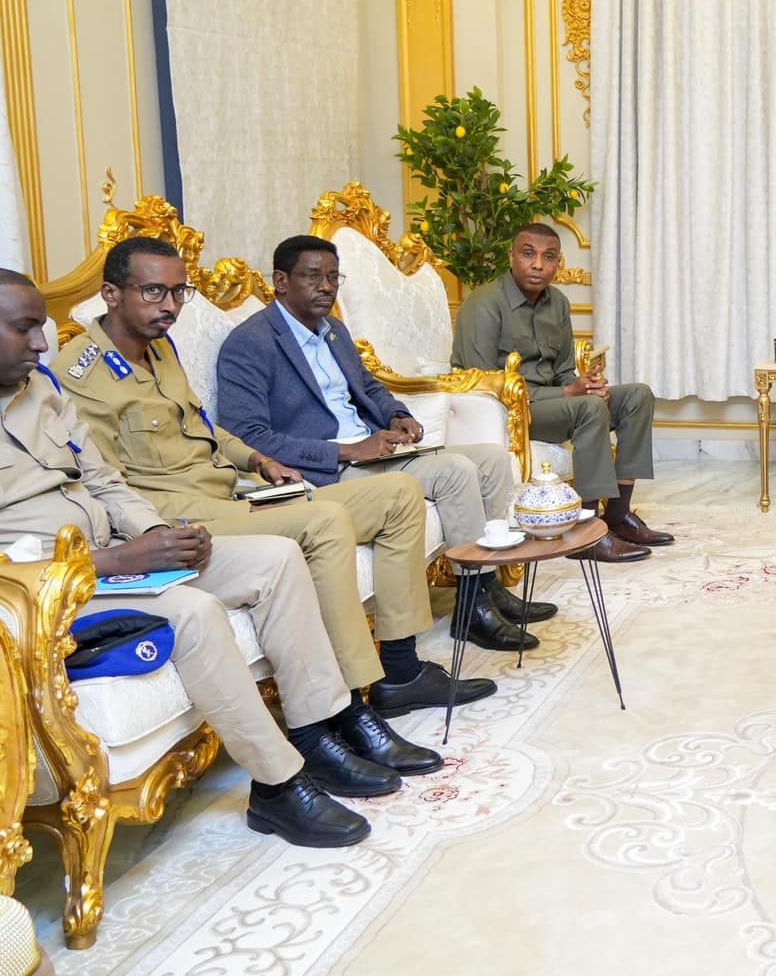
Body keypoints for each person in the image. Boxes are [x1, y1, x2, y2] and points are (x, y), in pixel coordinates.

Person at [0, 269, 418, 847]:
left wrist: (156, 537)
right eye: (24, 329)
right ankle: (278, 786)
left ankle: (316, 731)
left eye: (41, 328)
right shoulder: (73, 374)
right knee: (195, 613)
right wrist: (112, 562)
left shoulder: (41, 389)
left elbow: (105, 481)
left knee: (276, 559)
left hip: (121, 551)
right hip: (50, 589)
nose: (41, 343)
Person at [57, 237, 493, 721]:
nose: (171, 306)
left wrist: (257, 460)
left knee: (400, 495)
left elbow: (204, 427)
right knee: (325, 520)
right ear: (111, 294)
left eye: (180, 292)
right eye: (154, 292)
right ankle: (349, 702)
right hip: (184, 516)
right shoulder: (80, 375)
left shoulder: (158, 347)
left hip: (234, 489)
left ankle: (400, 671)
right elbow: (107, 485)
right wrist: (163, 532)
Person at [215, 235, 546, 652]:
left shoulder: (333, 330)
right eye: (313, 277)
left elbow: (368, 386)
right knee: (455, 471)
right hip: (329, 469)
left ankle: (489, 586)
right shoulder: (250, 343)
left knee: (492, 459)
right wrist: (347, 451)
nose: (326, 287)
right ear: (281, 281)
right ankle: (472, 610)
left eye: (333, 277)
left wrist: (397, 415)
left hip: (374, 450)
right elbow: (247, 436)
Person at [451, 223, 667, 564]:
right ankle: (588, 536)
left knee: (637, 396)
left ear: (558, 263)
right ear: (511, 256)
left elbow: (565, 370)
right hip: (509, 413)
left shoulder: (559, 304)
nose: (538, 264)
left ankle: (618, 515)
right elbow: (483, 385)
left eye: (548, 257)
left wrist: (587, 386)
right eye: (528, 254)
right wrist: (570, 393)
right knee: (589, 409)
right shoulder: (484, 304)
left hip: (554, 404)